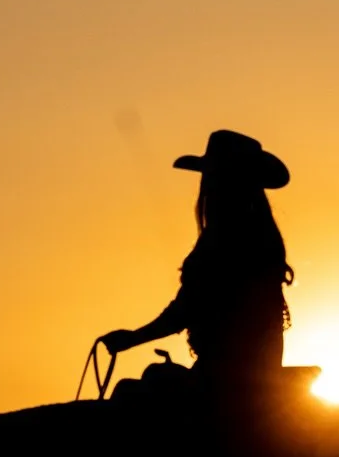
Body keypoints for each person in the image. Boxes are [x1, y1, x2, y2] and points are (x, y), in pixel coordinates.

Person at [99, 130, 294, 397]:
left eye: (213, 177)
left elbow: (186, 309)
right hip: (256, 374)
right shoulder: (261, 239)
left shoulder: (223, 241)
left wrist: (132, 338)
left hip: (224, 379)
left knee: (131, 392)